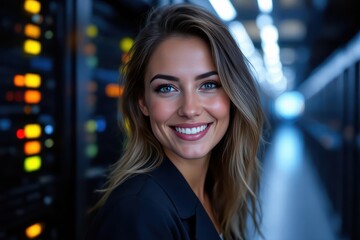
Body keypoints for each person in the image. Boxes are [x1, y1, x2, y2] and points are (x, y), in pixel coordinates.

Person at [87, 3, 264, 240]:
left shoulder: (217, 188)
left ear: (234, 95)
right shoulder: (139, 211)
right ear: (143, 102)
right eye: (167, 88)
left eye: (208, 85)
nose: (190, 109)